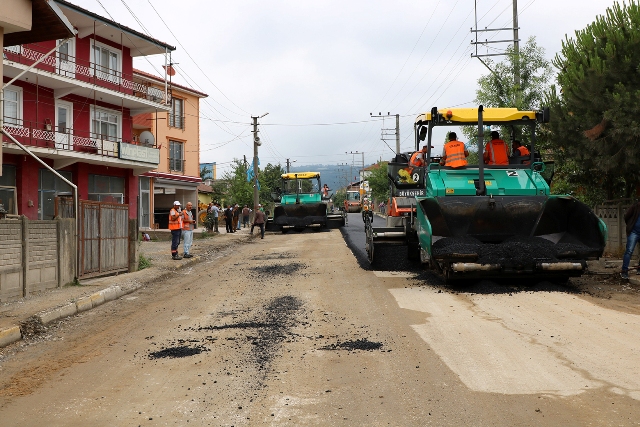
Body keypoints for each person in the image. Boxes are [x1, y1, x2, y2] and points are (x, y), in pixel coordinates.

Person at [621, 200, 640, 279]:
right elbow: (626, 217)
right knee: (629, 251)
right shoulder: (636, 206)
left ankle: (639, 268)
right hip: (634, 232)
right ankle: (624, 271)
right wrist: (630, 226)